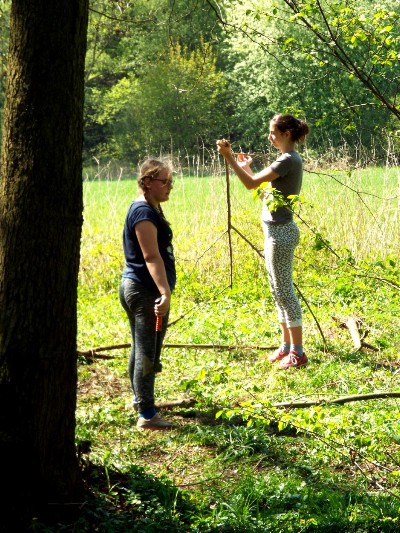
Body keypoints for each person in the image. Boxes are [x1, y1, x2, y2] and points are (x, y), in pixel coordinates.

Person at [217, 113, 310, 369]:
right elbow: (265, 196)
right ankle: (286, 346)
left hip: (281, 234)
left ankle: (298, 352)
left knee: (285, 292)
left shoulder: (288, 160)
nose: (270, 137)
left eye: (273, 133)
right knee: (276, 290)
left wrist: (228, 157)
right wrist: (247, 168)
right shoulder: (287, 160)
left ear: (286, 134)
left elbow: (250, 184)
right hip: (274, 232)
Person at [119, 158, 176, 429]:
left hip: (140, 288)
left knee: (141, 346)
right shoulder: (143, 213)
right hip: (144, 291)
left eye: (171, 181)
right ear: (147, 182)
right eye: (164, 181)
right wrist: (164, 292)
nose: (169, 186)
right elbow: (151, 256)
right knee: (148, 351)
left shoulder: (151, 207)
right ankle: (147, 413)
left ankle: (139, 400)